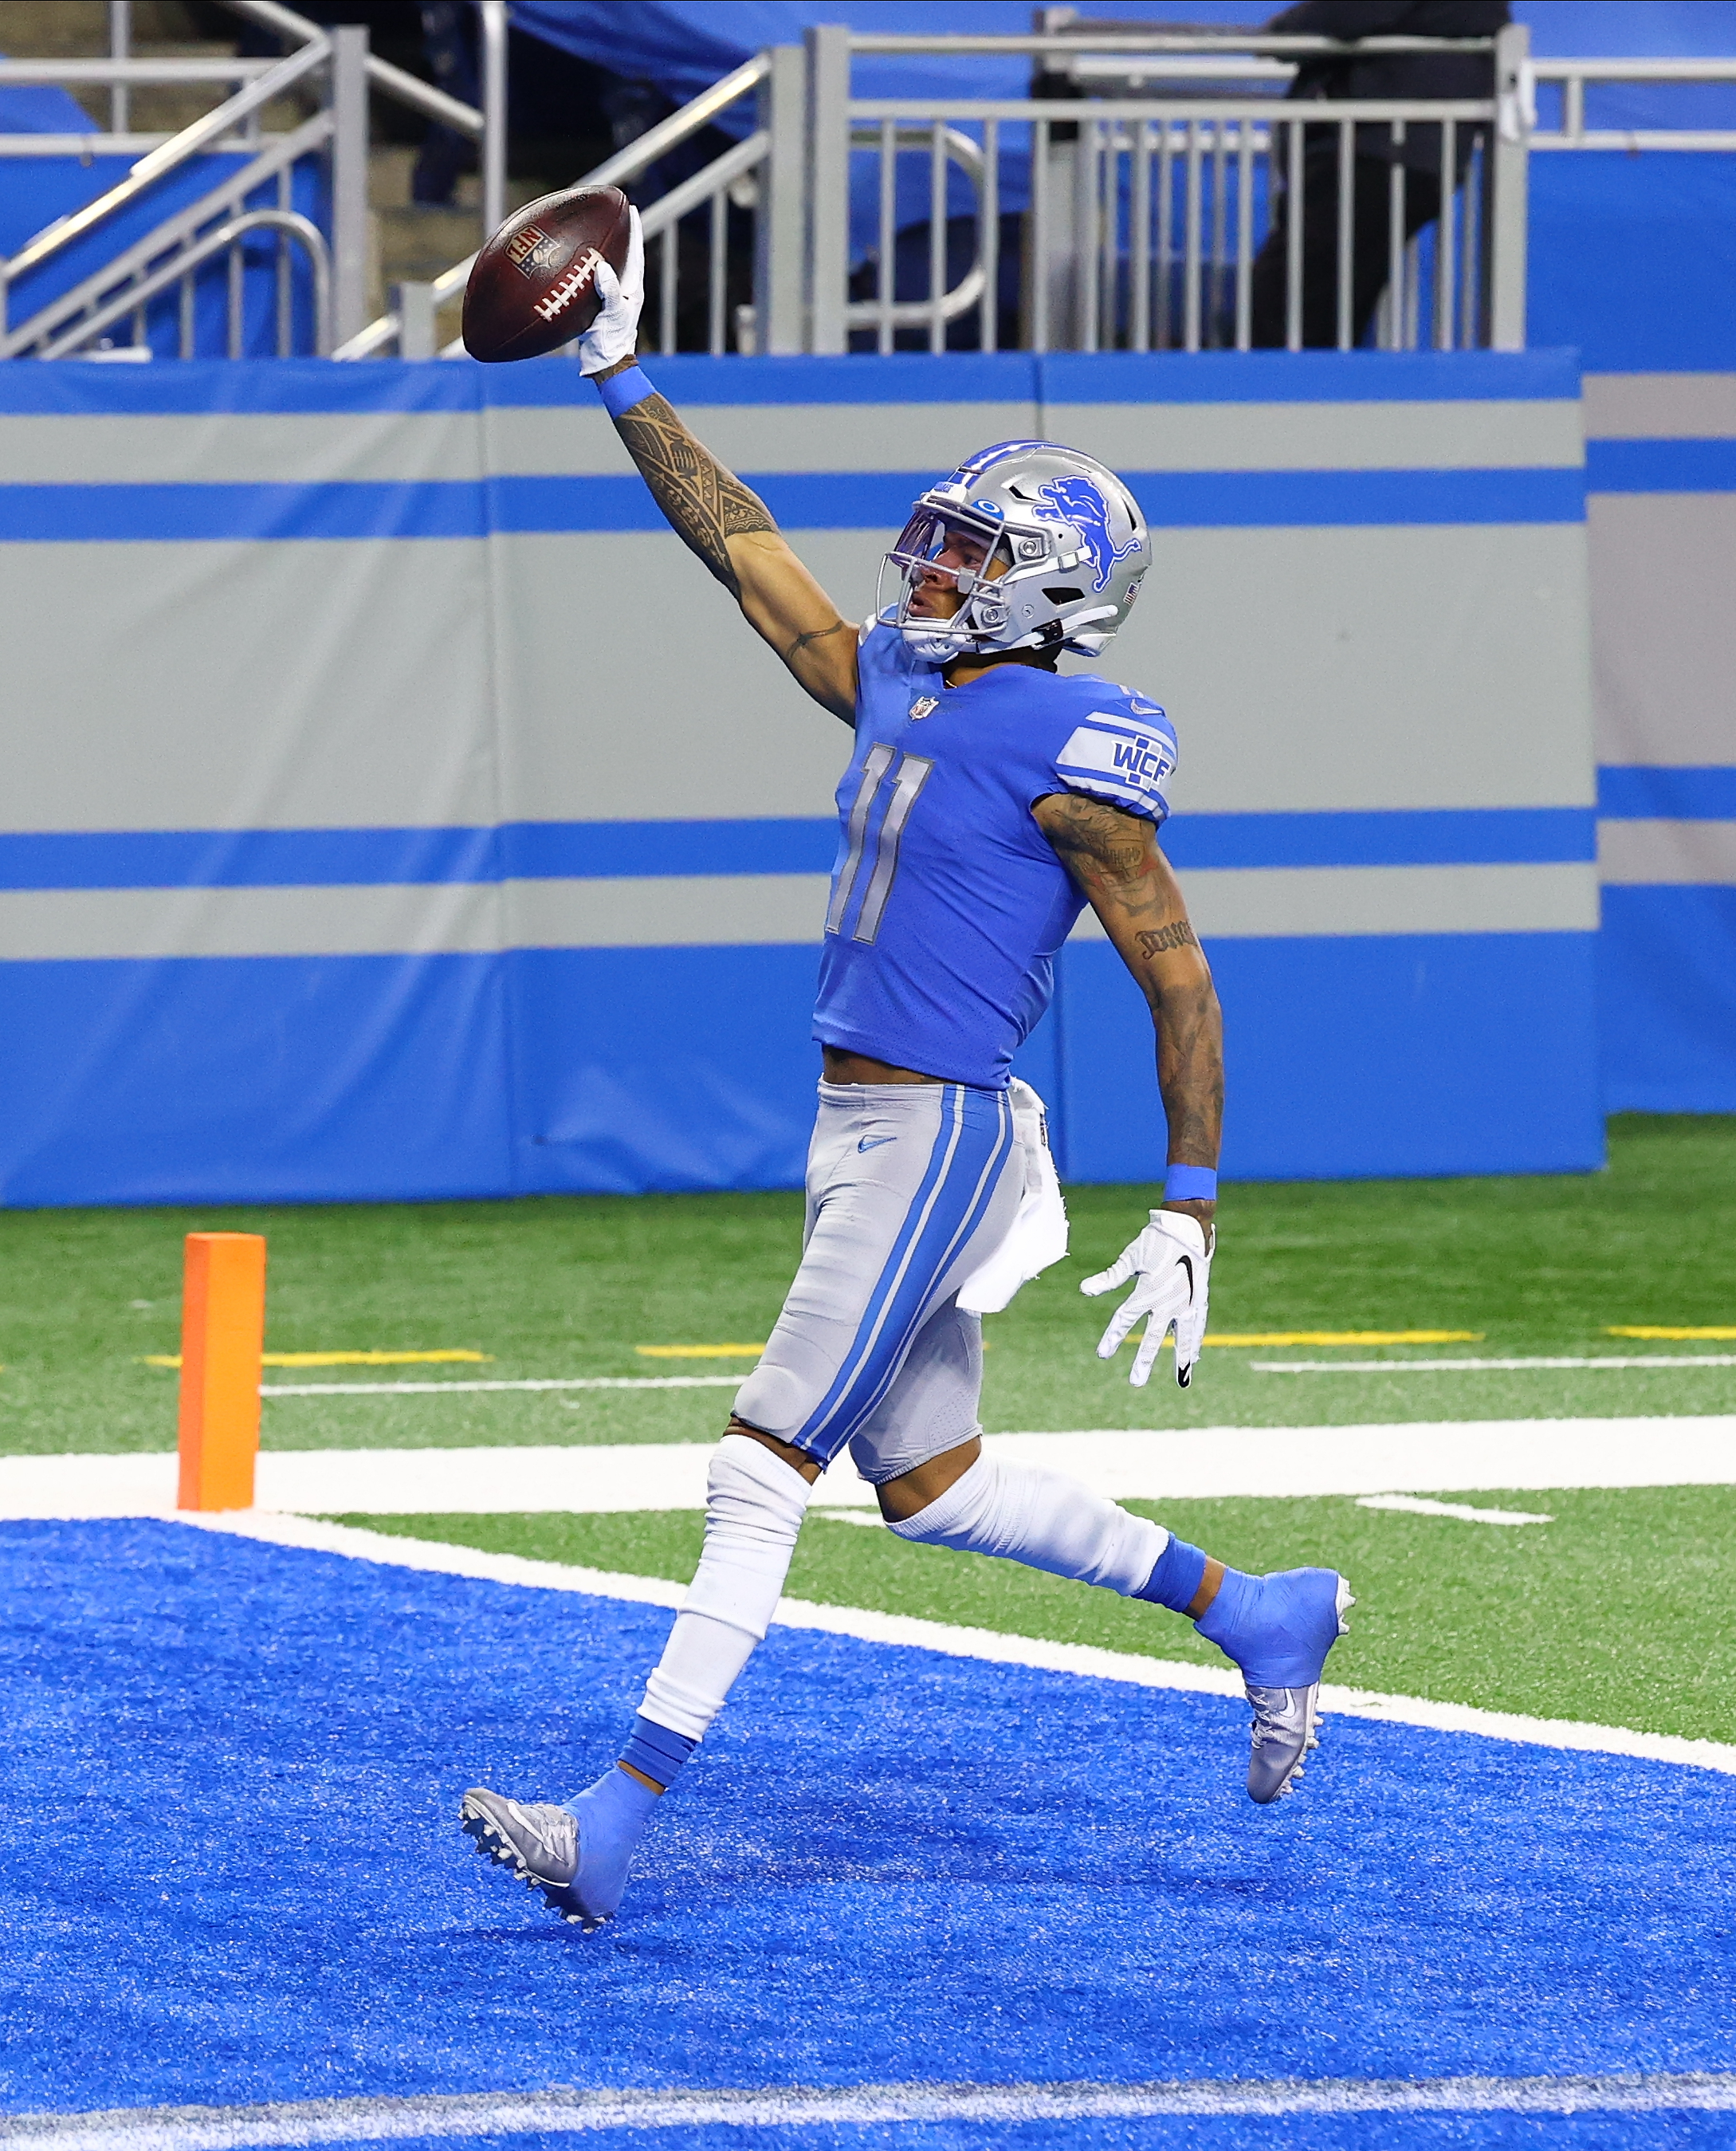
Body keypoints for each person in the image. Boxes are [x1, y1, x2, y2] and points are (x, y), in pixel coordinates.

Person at [458, 230, 1351, 1930]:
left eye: (968, 552)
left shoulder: (1074, 747)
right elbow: (746, 556)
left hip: (935, 1124)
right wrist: (617, 377)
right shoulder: (895, 679)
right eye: (936, 542)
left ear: (1049, 586)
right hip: (858, 1122)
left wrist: (1189, 1194)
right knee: (929, 1482)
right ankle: (1259, 1611)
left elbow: (1176, 968)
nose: (926, 567)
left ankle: (618, 1812)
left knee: (756, 1462)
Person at [1243, 1, 1510, 349]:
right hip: (1401, 151)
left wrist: (1278, 35)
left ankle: (1282, 394)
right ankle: (1313, 389)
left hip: (1381, 151)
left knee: (1290, 299)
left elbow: (1339, 16)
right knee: (1325, 296)